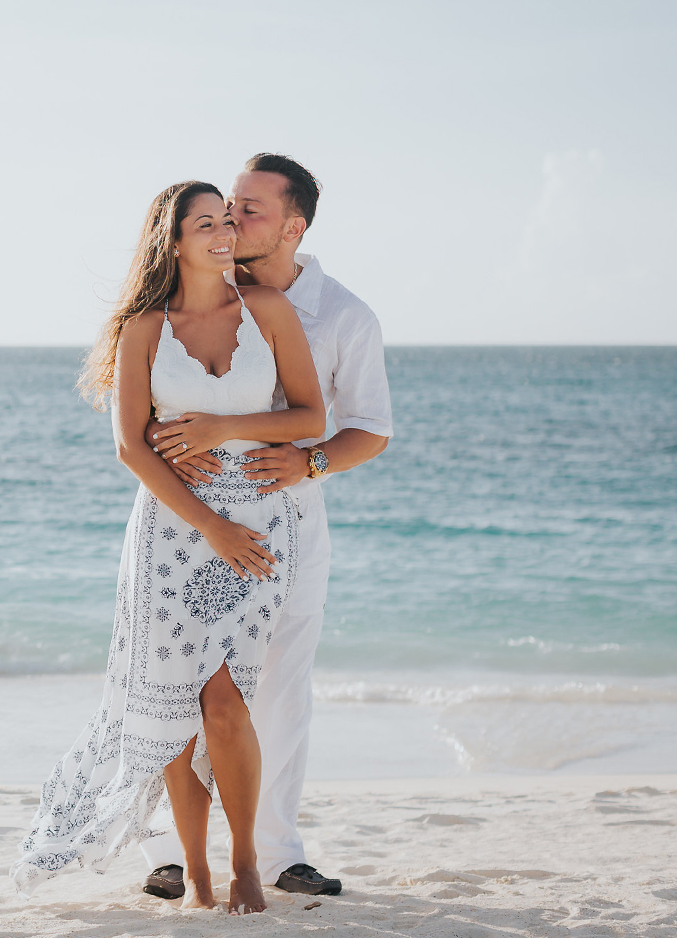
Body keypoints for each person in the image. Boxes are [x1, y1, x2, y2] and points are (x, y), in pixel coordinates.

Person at [11, 180, 326, 914]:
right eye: (207, 225)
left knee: (227, 699)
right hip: (170, 536)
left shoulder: (269, 313)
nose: (223, 234)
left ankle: (246, 861)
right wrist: (205, 523)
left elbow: (311, 414)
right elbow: (131, 447)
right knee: (179, 704)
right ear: (174, 240)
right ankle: (198, 872)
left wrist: (223, 430)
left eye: (227, 222)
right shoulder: (144, 329)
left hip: (256, 528)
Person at [137, 154, 394, 901]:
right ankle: (172, 854)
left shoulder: (344, 316)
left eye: (248, 209)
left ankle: (279, 854)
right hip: (191, 524)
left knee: (280, 686)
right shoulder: (203, 290)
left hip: (292, 528)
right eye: (227, 208)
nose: (231, 220)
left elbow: (370, 429)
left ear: (293, 226)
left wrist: (308, 465)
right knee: (176, 681)